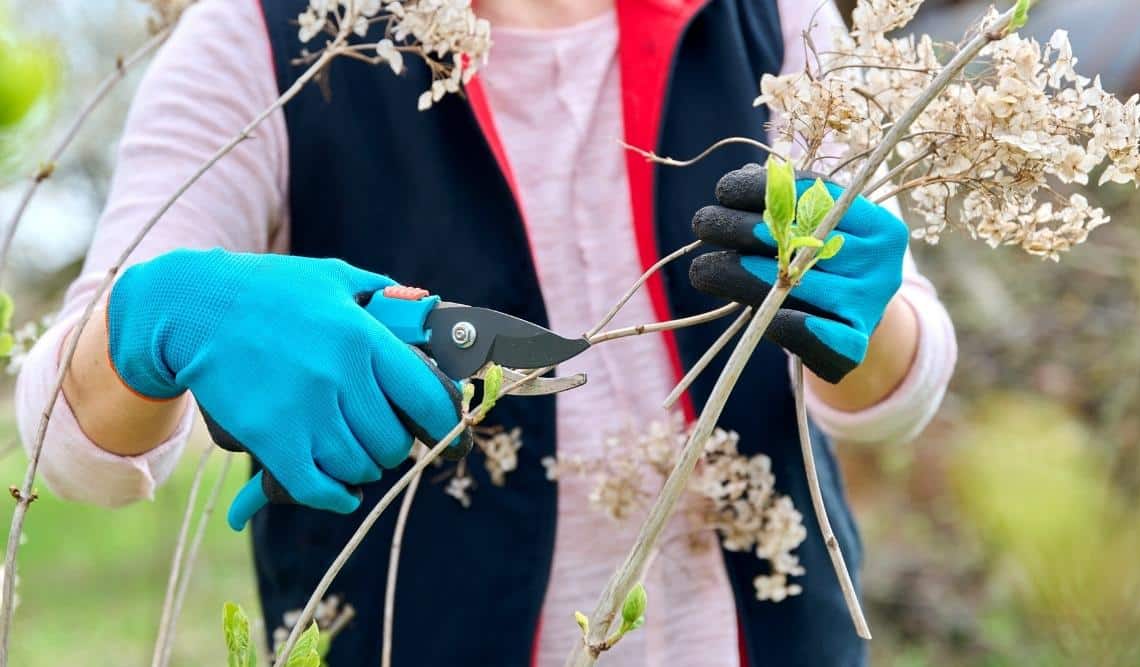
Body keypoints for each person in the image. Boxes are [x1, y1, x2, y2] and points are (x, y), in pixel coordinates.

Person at [15, 0, 957, 665]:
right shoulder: (265, 37)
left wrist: (863, 323)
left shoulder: (770, 16)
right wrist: (166, 314)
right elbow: (64, 438)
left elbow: (892, 396)